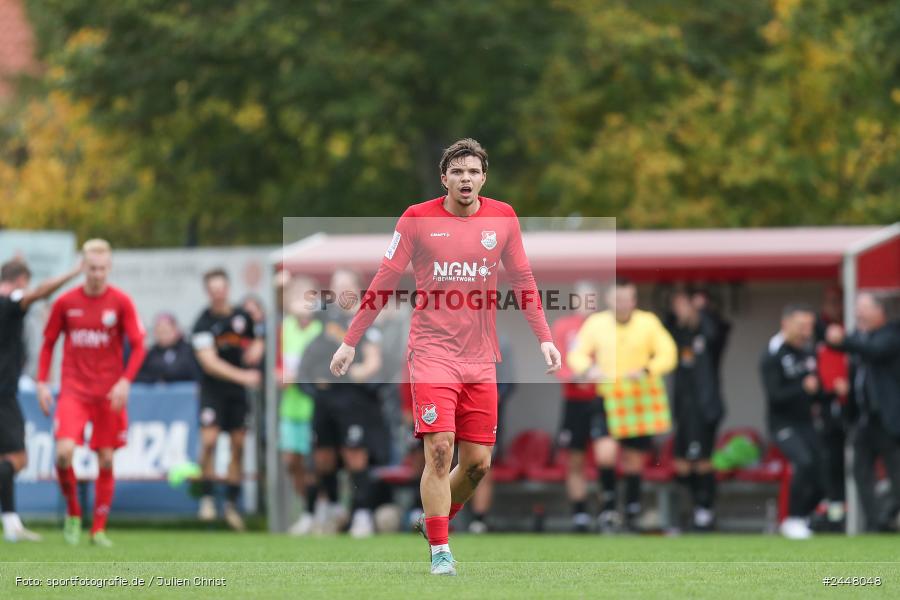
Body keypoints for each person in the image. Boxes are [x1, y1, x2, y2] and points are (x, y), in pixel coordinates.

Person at [329, 139, 561, 575]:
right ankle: (440, 551)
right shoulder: (417, 219)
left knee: (477, 465)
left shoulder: (503, 218)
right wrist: (350, 340)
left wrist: (544, 337)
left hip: (480, 358)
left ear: (484, 177)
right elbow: (383, 281)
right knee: (440, 450)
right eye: (457, 172)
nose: (466, 179)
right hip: (432, 354)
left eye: (473, 171)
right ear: (444, 178)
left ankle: (434, 521)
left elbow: (525, 281)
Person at [37, 240, 146, 547]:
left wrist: (125, 381)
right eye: (92, 268)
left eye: (102, 268)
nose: (97, 274)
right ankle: (73, 511)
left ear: (108, 268)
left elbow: (139, 346)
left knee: (107, 460)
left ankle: (98, 529)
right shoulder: (65, 302)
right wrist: (42, 382)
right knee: (63, 453)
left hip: (109, 394)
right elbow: (48, 344)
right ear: (83, 267)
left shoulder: (121, 302)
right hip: (74, 390)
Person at [567, 277, 677, 533]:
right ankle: (607, 507)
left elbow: (668, 353)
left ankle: (632, 511)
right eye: (617, 299)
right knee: (605, 454)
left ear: (634, 300)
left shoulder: (648, 322)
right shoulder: (597, 323)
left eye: (627, 298)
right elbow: (577, 353)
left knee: (633, 461)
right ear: (609, 300)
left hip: (638, 397)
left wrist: (649, 369)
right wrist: (588, 368)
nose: (622, 303)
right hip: (607, 396)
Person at [0, 257, 82, 542]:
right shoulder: (12, 300)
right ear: (21, 279)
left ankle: (12, 524)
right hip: (2, 395)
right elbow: (41, 292)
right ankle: (11, 525)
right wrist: (74, 271)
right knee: (17, 459)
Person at [301, 269, 385, 538]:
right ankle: (333, 509)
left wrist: (360, 371)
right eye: (337, 286)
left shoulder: (366, 317)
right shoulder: (327, 315)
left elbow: (373, 359)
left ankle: (362, 514)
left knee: (355, 456)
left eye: (347, 286)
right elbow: (296, 304)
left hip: (353, 399)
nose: (341, 291)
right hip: (326, 398)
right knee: (323, 458)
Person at [191, 268, 263, 531]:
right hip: (214, 390)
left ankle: (231, 506)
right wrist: (244, 376)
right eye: (213, 289)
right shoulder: (202, 324)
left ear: (228, 288)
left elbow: (258, 339)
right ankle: (208, 499)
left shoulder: (243, 317)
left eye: (221, 288)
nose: (218, 293)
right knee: (209, 441)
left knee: (238, 445)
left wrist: (256, 349)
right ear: (208, 292)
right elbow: (209, 364)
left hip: (237, 395)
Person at [826, 292, 900, 532]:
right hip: (863, 418)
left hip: (888, 419)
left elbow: (874, 350)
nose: (858, 313)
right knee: (860, 473)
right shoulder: (860, 338)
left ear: (880, 312)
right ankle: (876, 523)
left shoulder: (891, 334)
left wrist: (842, 340)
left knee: (896, 475)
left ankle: (888, 515)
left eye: (864, 308)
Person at [759, 303, 826, 540]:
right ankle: (792, 518)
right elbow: (775, 395)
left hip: (807, 422)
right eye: (801, 326)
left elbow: (817, 391)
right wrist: (803, 388)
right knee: (804, 462)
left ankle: (805, 515)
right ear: (785, 324)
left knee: (823, 469)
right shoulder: (773, 354)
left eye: (809, 325)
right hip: (783, 424)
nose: (806, 331)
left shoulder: (809, 353)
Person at [665, 289, 725, 531]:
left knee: (702, 462)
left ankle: (705, 512)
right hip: (683, 409)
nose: (680, 310)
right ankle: (692, 510)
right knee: (682, 464)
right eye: (676, 305)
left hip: (705, 408)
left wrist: (701, 310)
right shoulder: (679, 335)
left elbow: (716, 329)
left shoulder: (708, 335)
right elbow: (665, 329)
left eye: (684, 305)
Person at [551, 281, 600, 532]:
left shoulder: (604, 327)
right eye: (582, 298)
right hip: (574, 402)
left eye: (591, 298)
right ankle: (580, 514)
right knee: (575, 459)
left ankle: (605, 511)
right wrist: (576, 376)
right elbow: (558, 363)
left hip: (602, 400)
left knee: (605, 457)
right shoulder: (564, 327)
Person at [277, 276, 323, 535]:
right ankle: (308, 508)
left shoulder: (320, 329)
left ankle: (313, 511)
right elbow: (278, 363)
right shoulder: (284, 328)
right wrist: (280, 374)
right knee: (291, 461)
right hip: (290, 406)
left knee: (313, 463)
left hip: (313, 406)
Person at [135, 313, 199, 383]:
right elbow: (140, 374)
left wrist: (166, 375)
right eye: (159, 332)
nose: (163, 336)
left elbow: (191, 371)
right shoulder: (150, 354)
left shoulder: (189, 350)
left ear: (176, 330)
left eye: (166, 331)